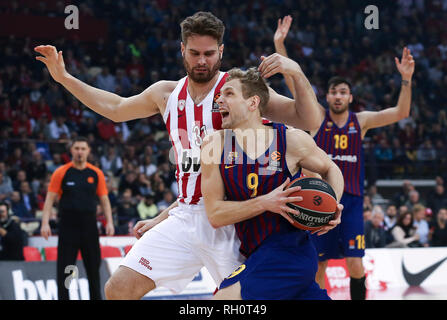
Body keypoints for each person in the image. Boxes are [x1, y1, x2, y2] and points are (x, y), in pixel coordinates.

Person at [35, 11, 324, 299]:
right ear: (182, 49)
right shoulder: (165, 94)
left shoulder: (239, 93)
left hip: (232, 221)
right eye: (195, 53)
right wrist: (65, 78)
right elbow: (115, 108)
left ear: (221, 51)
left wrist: (295, 72)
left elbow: (308, 120)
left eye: (209, 53)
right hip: (185, 217)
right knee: (118, 289)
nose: (201, 61)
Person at [274, 16, 415, 300]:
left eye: (343, 92)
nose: (337, 96)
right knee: (318, 266)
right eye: (333, 92)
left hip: (350, 203)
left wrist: (406, 80)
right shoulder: (317, 119)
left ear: (350, 97)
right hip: (318, 199)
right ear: (327, 96)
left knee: (356, 266)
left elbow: (401, 113)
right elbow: (292, 81)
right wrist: (279, 43)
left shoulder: (359, 122)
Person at [201, 67, 344, 299]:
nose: (219, 100)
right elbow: (215, 214)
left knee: (224, 299)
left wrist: (332, 204)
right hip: (255, 252)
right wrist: (266, 202)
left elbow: (331, 168)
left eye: (228, 94)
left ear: (252, 102)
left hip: (290, 248)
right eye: (219, 95)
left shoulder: (291, 139)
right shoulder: (214, 145)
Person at [40, 137, 115, 300]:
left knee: (93, 269)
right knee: (66, 270)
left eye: (83, 148)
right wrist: (45, 223)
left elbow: (104, 199)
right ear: (71, 151)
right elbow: (50, 199)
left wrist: (109, 221)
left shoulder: (96, 173)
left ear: (88, 151)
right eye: (77, 148)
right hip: (68, 228)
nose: (80, 152)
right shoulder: (61, 172)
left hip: (89, 228)